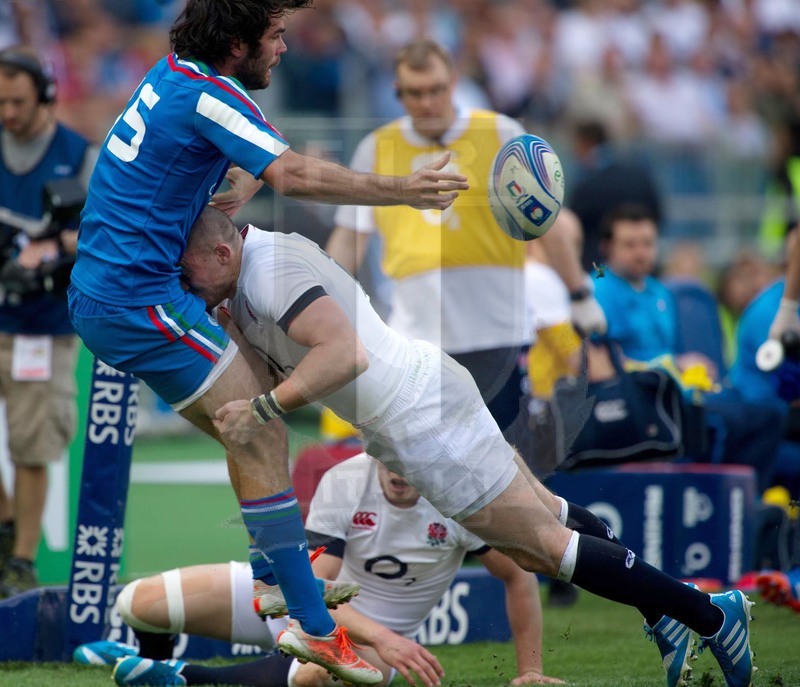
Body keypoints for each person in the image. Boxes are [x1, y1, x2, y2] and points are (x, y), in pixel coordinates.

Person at [180, 205, 757, 687]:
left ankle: (708, 613)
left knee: (544, 549)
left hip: (420, 420)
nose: (183, 284)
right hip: (416, 402)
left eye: (187, 272)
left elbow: (343, 354)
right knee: (548, 523)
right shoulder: (243, 271)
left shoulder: (265, 273)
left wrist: (262, 408)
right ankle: (669, 611)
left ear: (222, 254)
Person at [66, 1, 469, 683]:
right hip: (136, 302)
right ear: (235, 44)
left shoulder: (174, 76)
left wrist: (242, 173)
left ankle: (275, 581)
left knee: (248, 424)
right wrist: (405, 190)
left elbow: (242, 157)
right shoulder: (209, 93)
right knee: (259, 426)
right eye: (274, 37)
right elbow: (294, 175)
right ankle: (315, 628)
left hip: (118, 292)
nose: (282, 49)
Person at [75, 452, 564, 687]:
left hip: (372, 648)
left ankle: (177, 675)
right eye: (388, 456)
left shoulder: (459, 500)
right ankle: (141, 657)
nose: (397, 473)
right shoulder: (346, 480)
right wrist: (381, 635)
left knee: (312, 678)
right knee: (136, 602)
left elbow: (518, 576)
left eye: (410, 461)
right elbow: (312, 592)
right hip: (304, 606)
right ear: (375, 444)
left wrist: (531, 672)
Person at [325, 39, 606, 435]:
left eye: (436, 90)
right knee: (421, 467)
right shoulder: (378, 147)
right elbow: (349, 237)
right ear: (398, 93)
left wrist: (578, 293)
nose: (427, 102)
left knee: (508, 461)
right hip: (417, 337)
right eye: (416, 93)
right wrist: (321, 300)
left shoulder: (499, 133)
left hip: (498, 329)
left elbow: (546, 222)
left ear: (453, 83)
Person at [0, 46, 97, 597]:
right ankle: (5, 521)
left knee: (32, 444)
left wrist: (54, 246)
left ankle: (21, 558)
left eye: (17, 101)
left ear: (46, 96)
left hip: (43, 321)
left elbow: (102, 233)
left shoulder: (78, 156)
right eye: (1, 102)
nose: (8, 112)